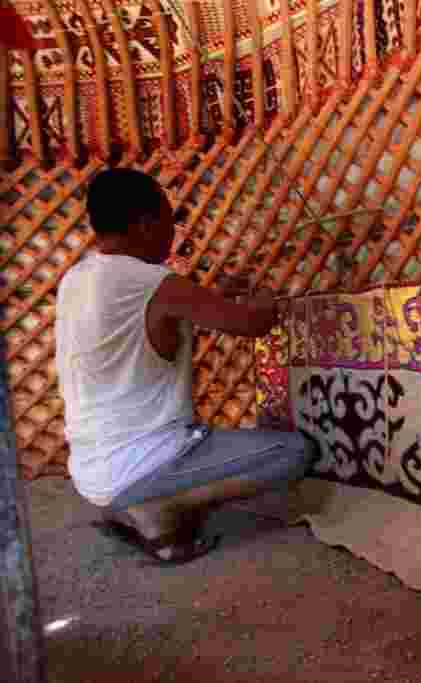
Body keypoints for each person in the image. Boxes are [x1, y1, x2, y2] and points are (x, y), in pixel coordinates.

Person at [55, 168, 316, 564]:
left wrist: (214, 297)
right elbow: (252, 324)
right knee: (292, 452)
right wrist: (264, 301)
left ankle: (139, 504)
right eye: (167, 219)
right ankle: (158, 507)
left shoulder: (76, 278)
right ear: (144, 224)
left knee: (217, 446)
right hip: (143, 460)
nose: (171, 231)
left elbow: (155, 319)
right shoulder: (151, 282)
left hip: (91, 468)